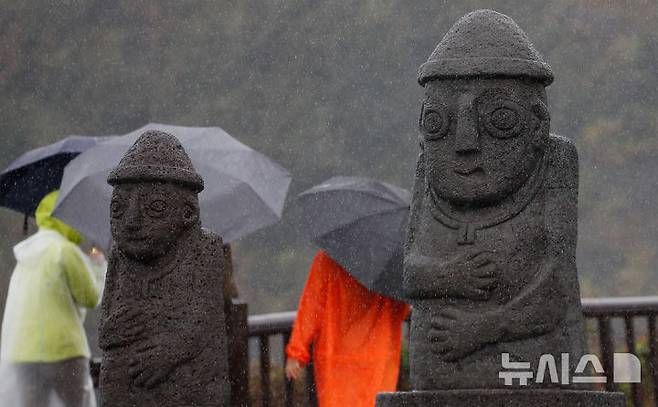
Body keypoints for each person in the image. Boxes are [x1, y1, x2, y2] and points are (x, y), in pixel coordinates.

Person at [0, 190, 106, 407]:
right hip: (63, 350)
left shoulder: (26, 252)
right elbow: (91, 297)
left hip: (23, 353)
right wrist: (98, 266)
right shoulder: (64, 250)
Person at [285, 250, 410, 407]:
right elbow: (400, 309)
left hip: (336, 358)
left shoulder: (328, 259)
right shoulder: (389, 263)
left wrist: (296, 351)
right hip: (378, 356)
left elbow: (312, 307)